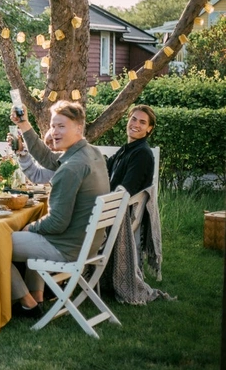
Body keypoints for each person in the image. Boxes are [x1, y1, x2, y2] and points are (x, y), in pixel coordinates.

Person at [8, 101, 109, 317]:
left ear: (79, 128)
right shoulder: (92, 153)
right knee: (25, 234)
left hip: (66, 248)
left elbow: (56, 223)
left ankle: (26, 302)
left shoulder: (72, 168)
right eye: (53, 126)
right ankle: (37, 297)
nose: (54, 132)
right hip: (88, 246)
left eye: (61, 126)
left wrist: (30, 228)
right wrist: (24, 124)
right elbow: (47, 158)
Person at [106, 104, 156, 195]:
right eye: (133, 119)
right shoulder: (126, 149)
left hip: (122, 207)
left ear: (149, 128)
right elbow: (104, 167)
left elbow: (127, 190)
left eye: (142, 122)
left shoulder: (142, 153)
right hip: (111, 203)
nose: (136, 124)